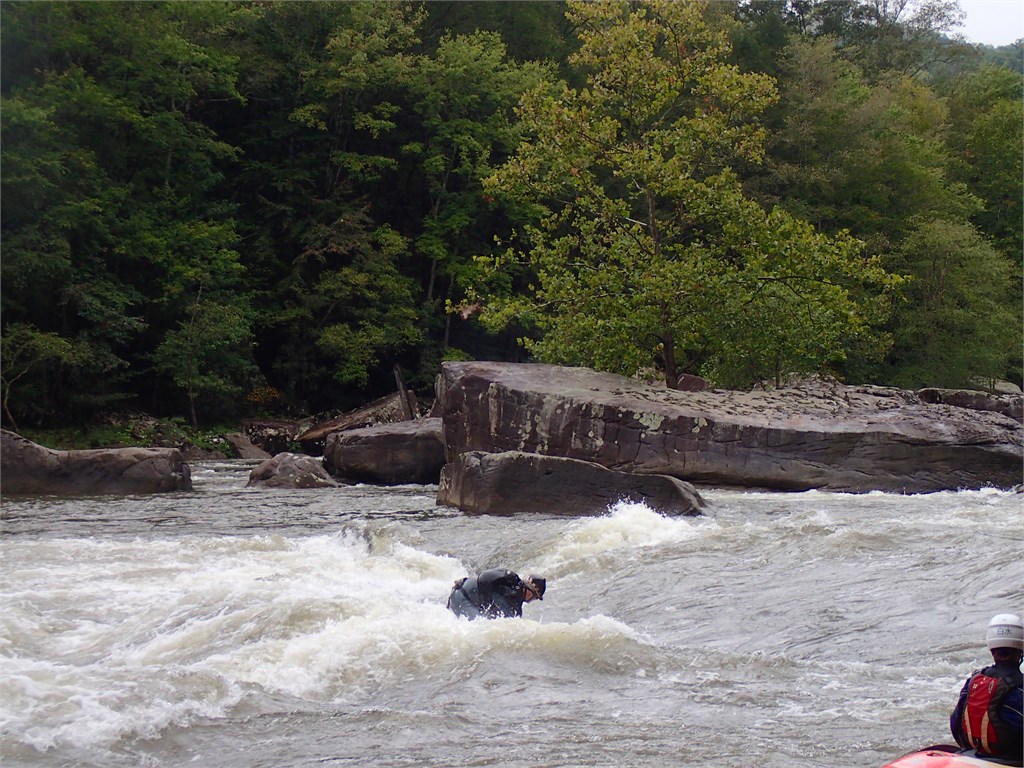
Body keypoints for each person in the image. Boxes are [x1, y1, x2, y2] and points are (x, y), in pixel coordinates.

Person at [950, 613, 1023, 765]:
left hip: (977, 754)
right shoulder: (1020, 688)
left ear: (991, 649)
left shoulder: (973, 682)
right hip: (1014, 759)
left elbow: (955, 724)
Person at [446, 569, 546, 620]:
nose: (532, 600)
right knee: (480, 631)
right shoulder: (510, 578)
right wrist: (486, 605)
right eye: (534, 597)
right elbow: (484, 577)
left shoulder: (517, 610)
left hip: (465, 598)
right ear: (529, 590)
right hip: (462, 595)